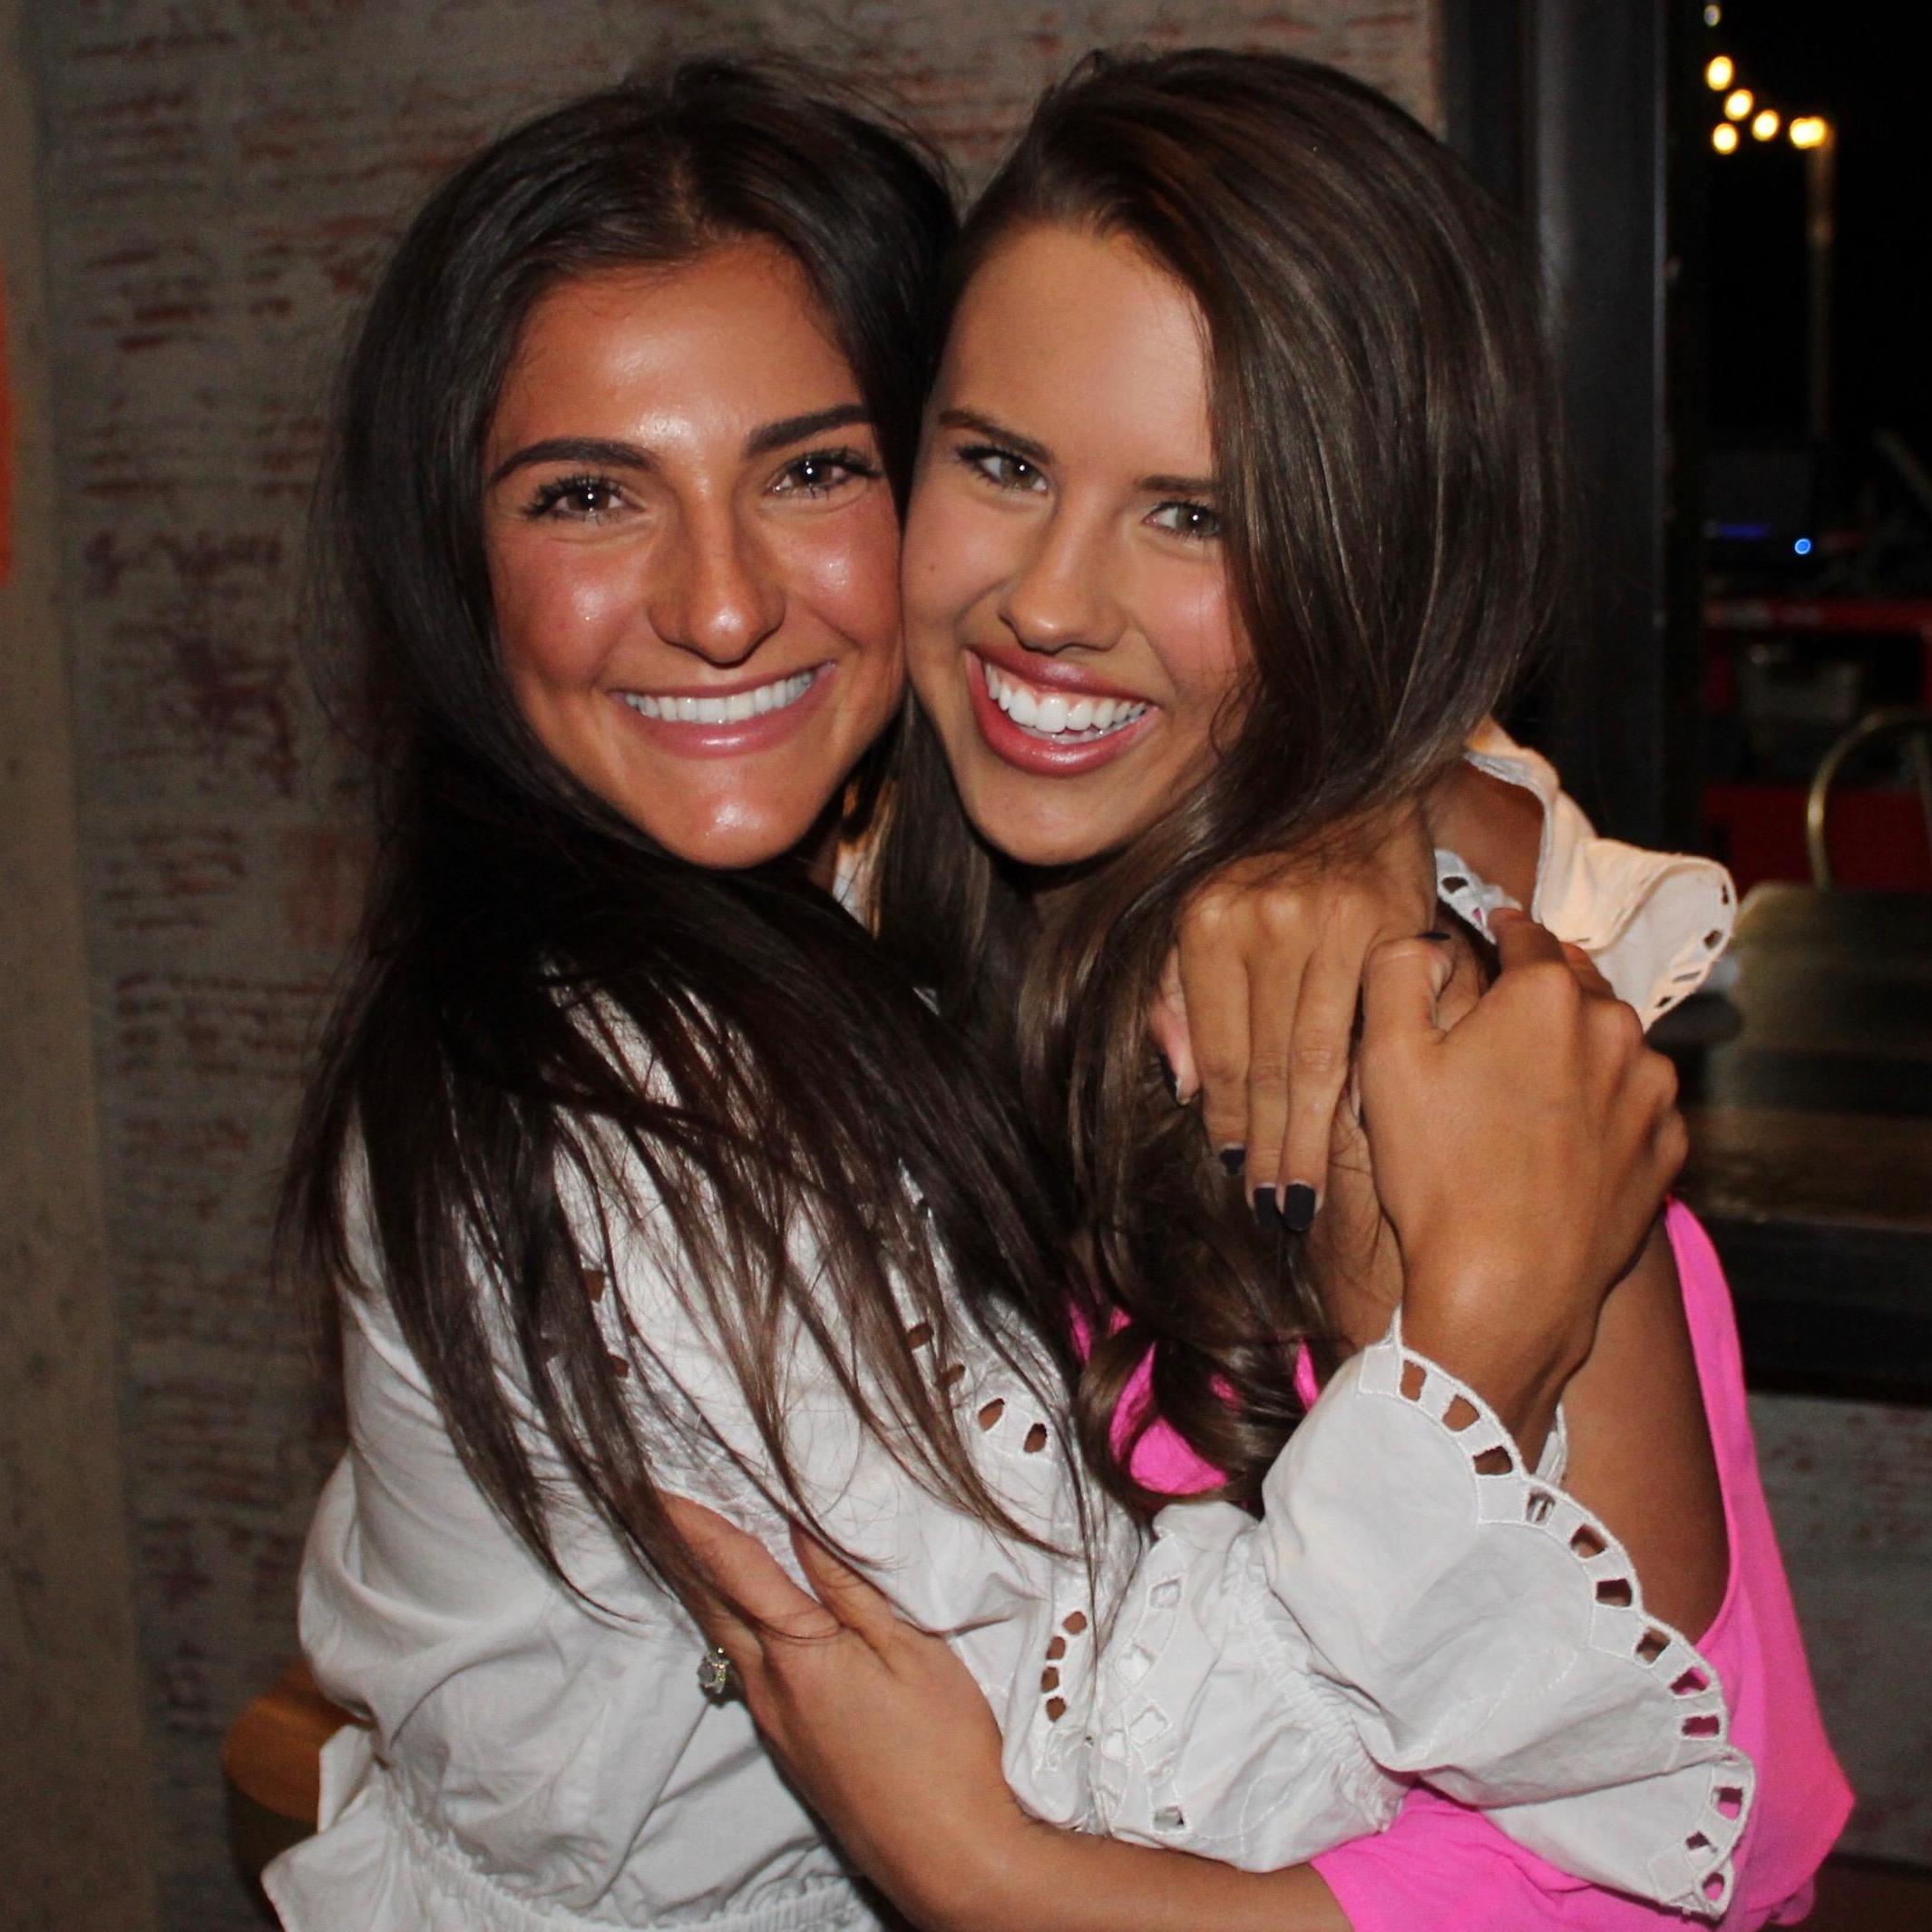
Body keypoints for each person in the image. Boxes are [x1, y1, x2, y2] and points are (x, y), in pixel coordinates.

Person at [263, 58, 1779, 1932]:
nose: (721, 605)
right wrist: (997, 1874)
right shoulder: (639, 1061)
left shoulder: (1336, 1035)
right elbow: (1130, 1776)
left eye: (1196, 511)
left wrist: (1379, 809)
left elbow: (1689, 1845)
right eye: (1002, 464)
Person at [675, 46, 1850, 1932]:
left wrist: (998, 1882)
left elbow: (1662, 1879)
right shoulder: (872, 902)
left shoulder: (1430, 1080)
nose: (1049, 600)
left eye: (1197, 514)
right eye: (1001, 464)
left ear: (1375, 563)